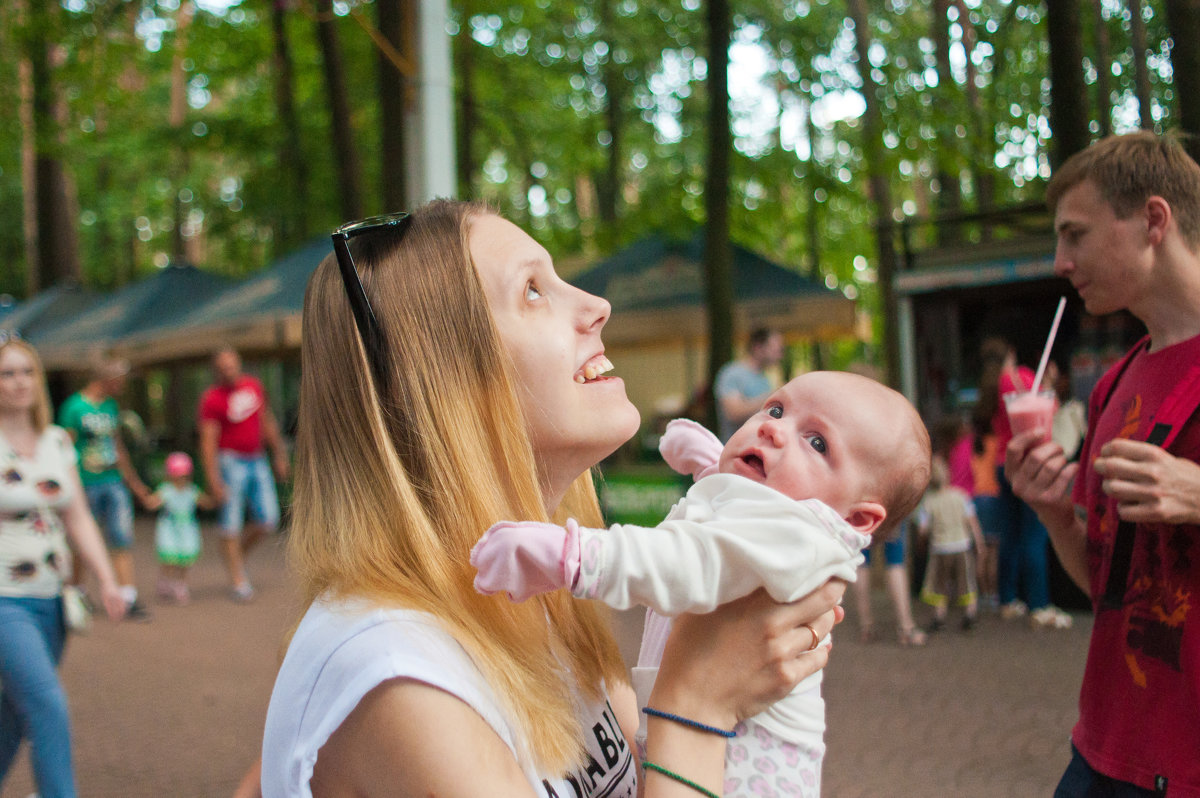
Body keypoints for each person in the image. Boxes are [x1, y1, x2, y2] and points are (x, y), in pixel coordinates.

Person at [260, 202, 846, 797]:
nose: (598, 306)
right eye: (533, 291)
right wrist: (698, 702)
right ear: (444, 381)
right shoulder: (400, 677)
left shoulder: (532, 588)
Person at [473, 370, 932, 796]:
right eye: (776, 409)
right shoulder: (785, 526)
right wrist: (716, 468)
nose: (774, 429)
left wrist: (572, 558)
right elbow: (739, 532)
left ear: (855, 517)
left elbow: (688, 561)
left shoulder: (797, 538)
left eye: (816, 442)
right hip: (697, 747)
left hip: (743, 774)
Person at [1007, 131, 1200, 795]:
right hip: (1104, 753)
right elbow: (1105, 585)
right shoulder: (1117, 383)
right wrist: (1056, 515)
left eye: (1075, 235)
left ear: (1153, 220)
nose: (1060, 261)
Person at [0, 336, 126, 797]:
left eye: (26, 372)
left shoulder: (55, 440)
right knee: (47, 704)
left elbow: (77, 515)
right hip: (3, 600)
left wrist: (109, 580)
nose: (19, 382)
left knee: (15, 712)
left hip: (51, 599)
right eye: (7, 373)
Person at [976, 337, 1072, 629]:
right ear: (1012, 353)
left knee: (1011, 534)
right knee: (1035, 534)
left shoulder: (990, 386)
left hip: (1004, 465)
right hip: (1030, 463)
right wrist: (1050, 383)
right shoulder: (1022, 378)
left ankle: (1008, 600)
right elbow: (1049, 407)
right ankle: (1039, 605)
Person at [57, 356, 153, 621]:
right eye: (120, 379)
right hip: (85, 484)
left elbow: (117, 446)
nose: (122, 384)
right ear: (106, 378)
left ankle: (128, 597)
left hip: (113, 481)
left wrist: (134, 483)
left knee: (121, 537)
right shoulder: (73, 407)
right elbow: (65, 448)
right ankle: (76, 592)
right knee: (81, 541)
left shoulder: (110, 406)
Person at [197, 347, 289, 603]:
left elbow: (266, 420)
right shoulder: (212, 399)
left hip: (257, 458)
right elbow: (208, 441)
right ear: (217, 370)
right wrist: (213, 479)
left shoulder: (253, 386)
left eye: (232, 364)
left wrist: (279, 453)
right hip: (230, 462)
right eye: (223, 366)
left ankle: (237, 557)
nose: (229, 370)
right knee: (231, 521)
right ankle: (238, 578)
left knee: (268, 519)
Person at [916, 455, 984, 632]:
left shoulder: (928, 502)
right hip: (961, 546)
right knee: (966, 581)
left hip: (940, 548)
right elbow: (972, 522)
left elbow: (923, 529)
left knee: (939, 583)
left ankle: (939, 617)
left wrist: (921, 542)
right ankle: (970, 614)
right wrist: (979, 544)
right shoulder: (960, 496)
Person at [144, 451, 213, 605]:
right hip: (170, 528)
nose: (181, 479)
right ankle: (166, 580)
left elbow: (206, 503)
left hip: (187, 529)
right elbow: (153, 502)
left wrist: (215, 494)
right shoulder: (166, 490)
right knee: (169, 557)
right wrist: (146, 497)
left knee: (185, 558)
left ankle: (180, 583)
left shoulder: (192, 490)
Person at [713, 326, 784, 441]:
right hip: (735, 450)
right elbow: (733, 412)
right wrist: (772, 396)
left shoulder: (764, 379)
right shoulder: (732, 373)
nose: (780, 355)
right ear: (758, 347)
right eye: (775, 349)